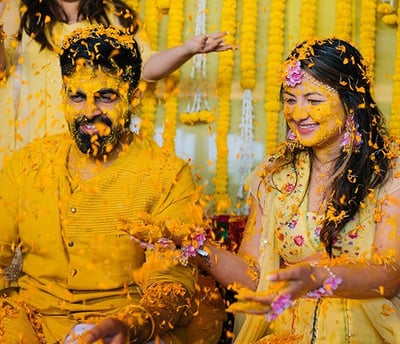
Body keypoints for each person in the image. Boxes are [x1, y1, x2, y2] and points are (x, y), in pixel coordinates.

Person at [0, 24, 225, 344]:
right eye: (77, 97)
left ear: (134, 96)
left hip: (124, 324)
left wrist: (132, 324)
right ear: (63, 95)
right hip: (32, 320)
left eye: (106, 97)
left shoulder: (167, 175)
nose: (89, 111)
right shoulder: (27, 165)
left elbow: (172, 280)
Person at [196, 37, 400, 343]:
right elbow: (255, 279)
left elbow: (389, 274)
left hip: (365, 329)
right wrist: (195, 248)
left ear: (352, 102)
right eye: (290, 99)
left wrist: (319, 278)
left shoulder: (388, 170)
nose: (298, 113)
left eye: (313, 101)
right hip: (285, 332)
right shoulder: (274, 173)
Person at [0, 0, 231, 166]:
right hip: (29, 135)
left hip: (91, 133)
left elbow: (145, 67)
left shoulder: (115, 15)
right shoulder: (20, 12)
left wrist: (187, 50)